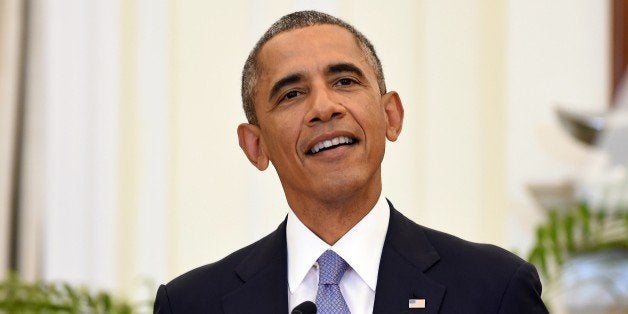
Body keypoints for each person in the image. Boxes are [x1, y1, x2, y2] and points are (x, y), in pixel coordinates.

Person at [154, 10, 547, 314]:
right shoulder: (192, 304)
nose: (324, 108)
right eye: (291, 94)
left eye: (344, 81)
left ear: (391, 115)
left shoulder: (492, 289)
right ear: (256, 146)